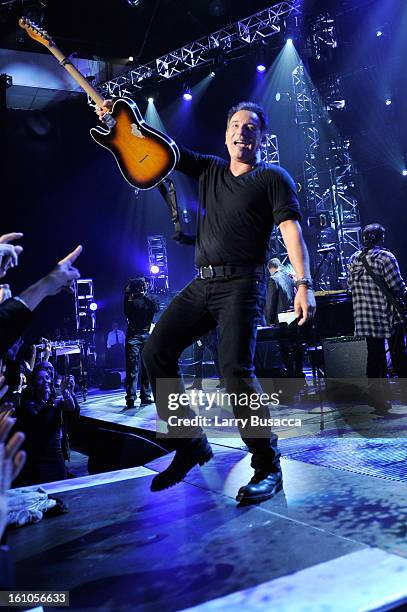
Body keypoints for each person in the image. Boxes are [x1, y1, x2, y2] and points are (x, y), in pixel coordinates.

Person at [98, 100, 315, 504]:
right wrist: (120, 122)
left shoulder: (273, 178)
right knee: (155, 350)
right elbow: (161, 148)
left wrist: (302, 283)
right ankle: (190, 442)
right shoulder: (210, 169)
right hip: (202, 284)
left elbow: (290, 230)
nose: (241, 132)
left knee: (234, 371)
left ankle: (268, 466)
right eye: (235, 125)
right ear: (226, 133)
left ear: (261, 138)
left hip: (242, 285)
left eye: (251, 127)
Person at [347, 223, 407, 408]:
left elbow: (350, 287)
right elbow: (397, 287)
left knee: (374, 356)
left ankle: (377, 399)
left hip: (365, 318)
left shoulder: (354, 258)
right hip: (387, 315)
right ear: (381, 238)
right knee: (398, 355)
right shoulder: (385, 257)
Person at [14, 367, 77, 486]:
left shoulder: (55, 401)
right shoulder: (28, 406)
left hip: (57, 459)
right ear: (33, 384)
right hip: (40, 463)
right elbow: (41, 423)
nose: (45, 381)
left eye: (47, 378)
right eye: (40, 379)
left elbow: (71, 407)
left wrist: (65, 391)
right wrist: (55, 402)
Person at [124, 276, 159, 408]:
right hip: (133, 335)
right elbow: (127, 312)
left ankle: (145, 396)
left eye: (144, 284)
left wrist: (144, 295)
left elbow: (155, 308)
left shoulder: (152, 298)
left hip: (147, 334)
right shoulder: (131, 298)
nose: (142, 286)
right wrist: (128, 293)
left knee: (147, 367)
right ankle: (131, 397)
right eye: (140, 284)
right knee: (132, 367)